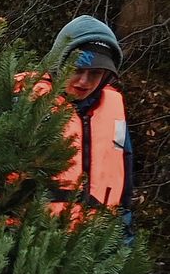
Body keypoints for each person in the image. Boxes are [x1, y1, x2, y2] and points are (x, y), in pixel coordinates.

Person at [33, 15, 133, 230]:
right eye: (77, 70)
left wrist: (123, 237)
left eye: (95, 73)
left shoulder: (114, 108)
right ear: (59, 64)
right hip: (33, 239)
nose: (84, 81)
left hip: (96, 241)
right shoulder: (26, 100)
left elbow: (124, 186)